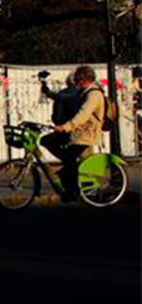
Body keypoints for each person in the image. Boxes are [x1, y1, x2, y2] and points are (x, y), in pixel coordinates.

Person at [51, 65, 106, 202]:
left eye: (77, 79)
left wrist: (66, 126)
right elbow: (65, 99)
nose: (75, 82)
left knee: (70, 158)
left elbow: (83, 114)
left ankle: (73, 190)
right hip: (77, 133)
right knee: (48, 141)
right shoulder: (82, 93)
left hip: (86, 135)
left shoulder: (94, 95)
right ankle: (69, 174)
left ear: (83, 80)